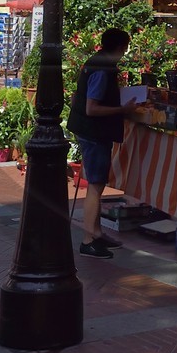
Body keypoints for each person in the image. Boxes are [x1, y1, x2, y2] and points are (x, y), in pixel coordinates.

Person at [66, 28, 137, 260]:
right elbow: (91, 107)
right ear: (119, 47)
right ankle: (88, 240)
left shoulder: (94, 62)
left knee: (97, 184)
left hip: (88, 129)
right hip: (94, 132)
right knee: (95, 186)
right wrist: (122, 109)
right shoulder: (102, 69)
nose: (125, 52)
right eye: (125, 47)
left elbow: (78, 97)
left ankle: (96, 232)